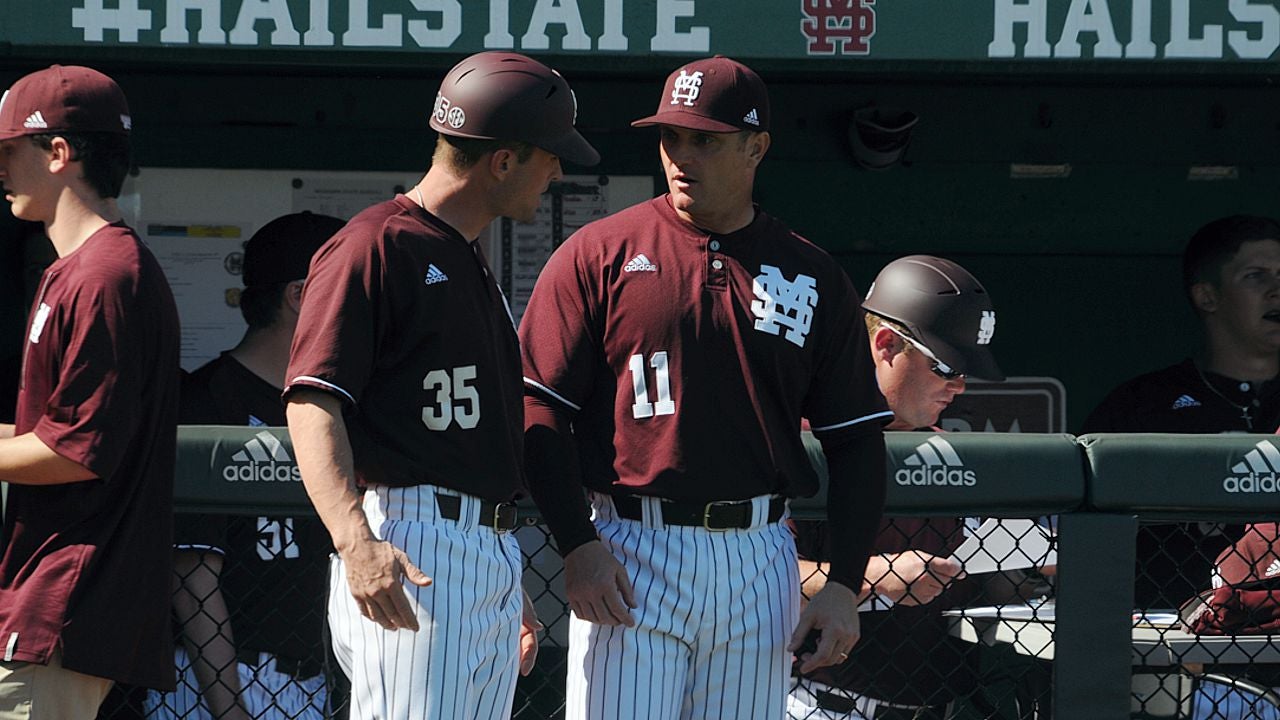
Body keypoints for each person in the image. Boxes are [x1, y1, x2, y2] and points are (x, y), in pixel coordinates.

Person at [520, 56, 891, 719]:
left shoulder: (809, 273)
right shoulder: (597, 253)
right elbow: (538, 406)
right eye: (671, 138)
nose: (681, 156)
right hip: (632, 544)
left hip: (760, 551)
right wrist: (576, 542)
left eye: (706, 140)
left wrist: (843, 584)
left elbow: (856, 441)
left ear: (757, 148)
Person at [283, 52, 599, 720]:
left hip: (479, 542)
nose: (559, 171)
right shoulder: (375, 245)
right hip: (412, 538)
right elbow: (313, 401)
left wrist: (497, 562)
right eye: (549, 155)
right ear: (504, 160)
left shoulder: (461, 250)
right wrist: (353, 540)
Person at [0, 65, 180, 718]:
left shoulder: (107, 275)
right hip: (51, 599)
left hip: (69, 604)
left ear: (58, 153)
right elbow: (49, 431)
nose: (0, 169)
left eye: (7, 150)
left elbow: (74, 451)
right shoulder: (75, 269)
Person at [787, 255, 1008, 720]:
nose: (961, 387)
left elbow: (988, 581)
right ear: (886, 345)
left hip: (944, 705)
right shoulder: (801, 439)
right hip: (826, 706)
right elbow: (754, 577)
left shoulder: (955, 453)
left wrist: (1030, 572)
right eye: (946, 367)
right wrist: (872, 576)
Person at [145, 212, 343, 720]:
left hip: (310, 678)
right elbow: (191, 579)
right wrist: (230, 709)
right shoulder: (205, 399)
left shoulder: (330, 406)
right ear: (300, 296)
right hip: (217, 677)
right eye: (347, 291)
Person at [1083, 215, 1280, 610]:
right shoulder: (1143, 404)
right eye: (1256, 276)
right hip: (1163, 637)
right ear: (1207, 297)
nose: (1278, 290)